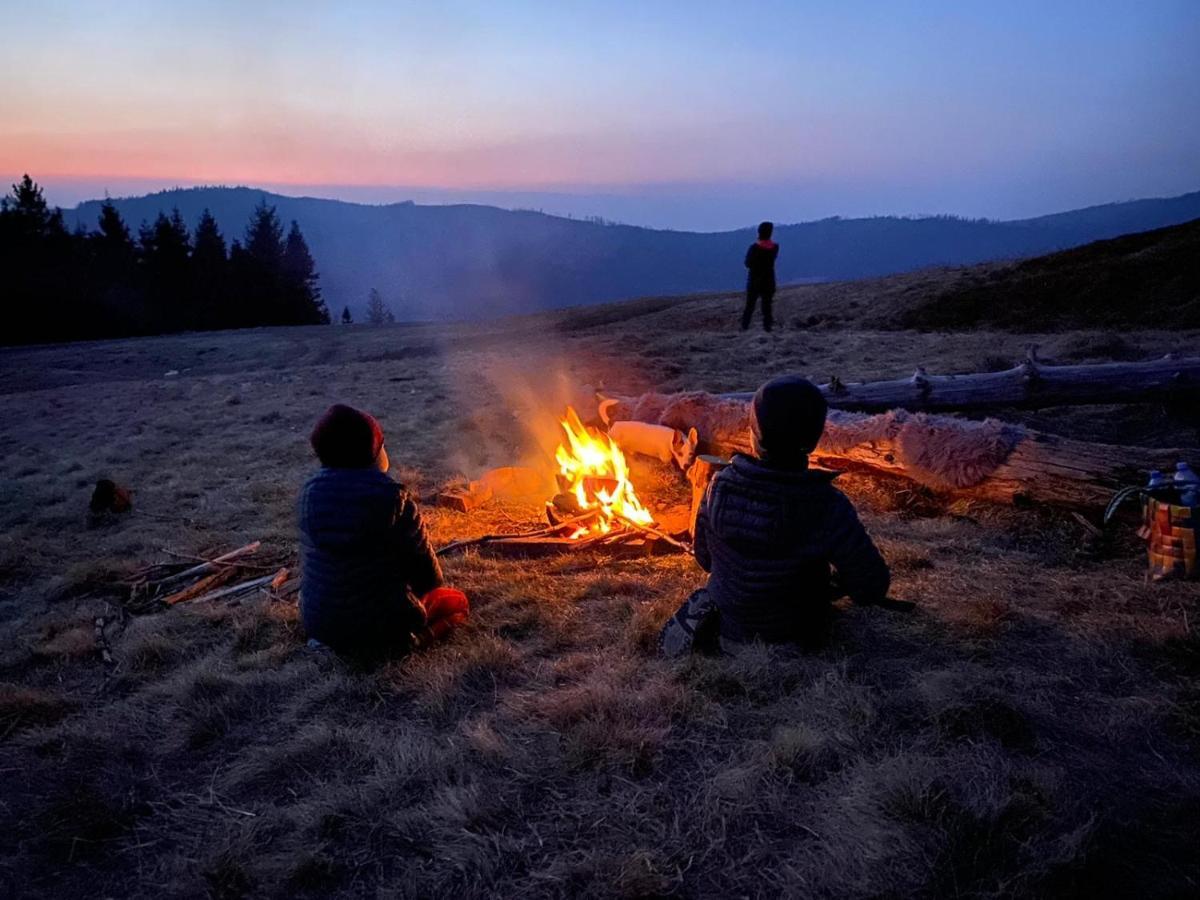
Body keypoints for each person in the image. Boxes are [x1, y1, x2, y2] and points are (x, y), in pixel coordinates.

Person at [660, 376, 890, 656]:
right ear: (814, 438)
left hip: (730, 633)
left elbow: (705, 560)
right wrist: (835, 585)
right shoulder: (826, 504)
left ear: (754, 435)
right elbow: (871, 587)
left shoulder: (719, 485)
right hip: (796, 637)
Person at [298, 403, 468, 662]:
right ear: (372, 452)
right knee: (456, 602)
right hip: (383, 625)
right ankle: (411, 642)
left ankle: (332, 642)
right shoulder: (393, 499)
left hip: (319, 621)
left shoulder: (309, 494)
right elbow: (428, 579)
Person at [742, 221, 779, 332]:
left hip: (755, 280)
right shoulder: (775, 247)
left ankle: (745, 327)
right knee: (767, 307)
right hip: (769, 280)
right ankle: (767, 328)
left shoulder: (754, 248)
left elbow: (747, 263)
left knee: (750, 306)